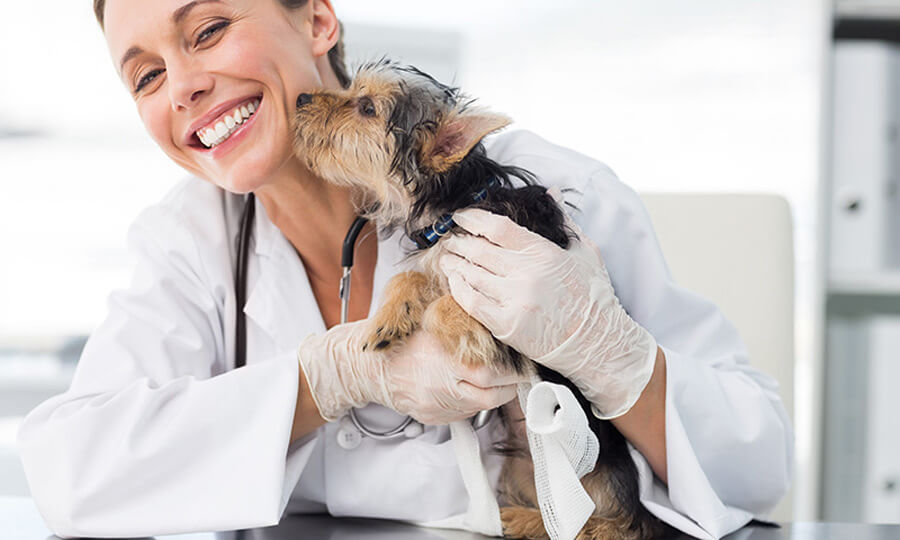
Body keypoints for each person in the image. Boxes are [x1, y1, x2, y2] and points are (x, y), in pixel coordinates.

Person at [16, 1, 794, 539]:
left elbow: (758, 461)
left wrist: (614, 357)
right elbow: (68, 471)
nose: (182, 85)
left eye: (210, 29)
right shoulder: (189, 243)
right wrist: (325, 379)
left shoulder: (545, 193)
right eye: (146, 76)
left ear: (317, 19)